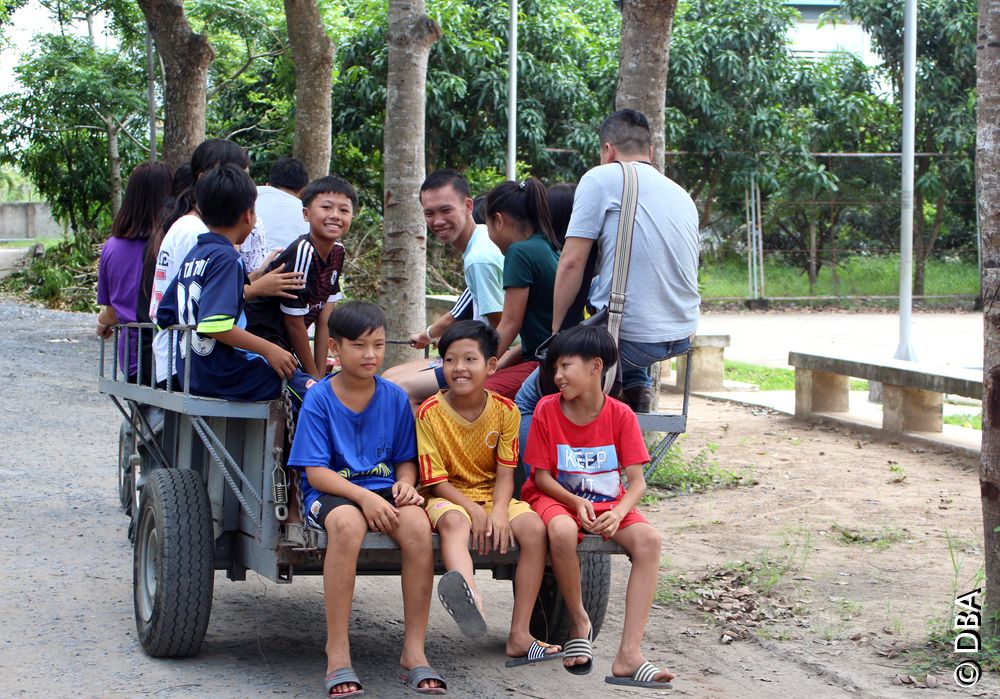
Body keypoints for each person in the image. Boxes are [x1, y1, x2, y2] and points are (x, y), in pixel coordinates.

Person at [288, 301, 445, 697]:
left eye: (377, 345)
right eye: (359, 346)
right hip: (331, 492)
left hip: (382, 491)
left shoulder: (393, 397)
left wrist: (407, 484)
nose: (371, 355)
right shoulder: (319, 399)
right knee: (347, 523)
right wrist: (363, 499)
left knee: (416, 524)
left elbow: (405, 460)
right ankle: (338, 652)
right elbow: (316, 472)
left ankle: (414, 649)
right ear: (336, 350)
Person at [521, 325, 674, 688]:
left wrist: (619, 513)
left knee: (649, 541)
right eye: (554, 368)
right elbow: (541, 477)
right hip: (557, 498)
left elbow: (637, 482)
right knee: (559, 530)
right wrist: (575, 502)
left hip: (609, 505)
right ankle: (579, 621)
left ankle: (629, 655)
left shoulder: (620, 415)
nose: (557, 376)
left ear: (595, 367)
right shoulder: (546, 409)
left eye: (566, 366)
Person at [415, 321, 561, 665]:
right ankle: (471, 597)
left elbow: (506, 473)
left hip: (492, 494)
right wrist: (475, 510)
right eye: (449, 361)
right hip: (448, 497)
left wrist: (497, 510)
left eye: (469, 360)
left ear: (491, 366)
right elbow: (435, 482)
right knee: (454, 524)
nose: (458, 369)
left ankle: (520, 634)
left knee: (534, 529)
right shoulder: (429, 413)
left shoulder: (506, 410)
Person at [550, 109, 700, 412]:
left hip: (634, 340)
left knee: (529, 398)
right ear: (651, 152)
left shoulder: (601, 178)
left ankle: (628, 382)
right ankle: (636, 386)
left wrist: (556, 335)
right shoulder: (680, 193)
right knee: (610, 299)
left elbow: (570, 263)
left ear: (608, 150)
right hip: (683, 333)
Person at [149, 139, 303, 387]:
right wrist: (268, 349)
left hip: (187, 360)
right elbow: (214, 323)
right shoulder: (224, 255)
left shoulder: (198, 249)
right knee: (303, 387)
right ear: (248, 214)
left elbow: (167, 312)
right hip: (214, 365)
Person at [382, 170, 504, 411]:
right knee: (388, 377)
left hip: (482, 357)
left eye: (446, 210)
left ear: (468, 206)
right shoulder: (477, 243)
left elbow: (499, 326)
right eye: (429, 213)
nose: (437, 221)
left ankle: (424, 449)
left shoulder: (479, 257)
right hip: (471, 350)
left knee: (396, 390)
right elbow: (463, 308)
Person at [246, 176, 355, 379]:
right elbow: (293, 323)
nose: (335, 216)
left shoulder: (338, 252)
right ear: (306, 214)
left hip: (285, 344)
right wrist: (312, 375)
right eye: (326, 208)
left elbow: (325, 319)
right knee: (307, 393)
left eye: (344, 210)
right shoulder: (304, 251)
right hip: (263, 340)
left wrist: (319, 374)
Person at [480, 178, 580, 399]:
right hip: (555, 359)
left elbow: (509, 325)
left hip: (542, 367)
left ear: (498, 220)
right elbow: (536, 337)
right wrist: (498, 363)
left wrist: (477, 367)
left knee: (464, 395)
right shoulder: (548, 246)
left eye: (486, 225)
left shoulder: (520, 253)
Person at [96, 161, 174, 384]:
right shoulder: (171, 242)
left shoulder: (112, 247)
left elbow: (112, 312)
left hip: (132, 358)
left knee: (143, 416)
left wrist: (102, 322)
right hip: (168, 356)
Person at [256, 156, 310, 250]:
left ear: (268, 184)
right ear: (302, 191)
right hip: (289, 263)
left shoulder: (249, 196)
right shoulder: (308, 214)